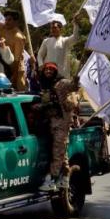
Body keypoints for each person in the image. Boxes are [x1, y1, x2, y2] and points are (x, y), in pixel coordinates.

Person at [36, 63, 80, 192]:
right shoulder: (44, 85)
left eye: (51, 69)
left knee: (57, 152)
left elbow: (73, 86)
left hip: (61, 124)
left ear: (55, 71)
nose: (48, 71)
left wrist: (76, 79)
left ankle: (51, 180)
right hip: (50, 123)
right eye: (46, 69)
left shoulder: (61, 83)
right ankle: (65, 177)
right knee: (61, 152)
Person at [37, 13, 80, 79]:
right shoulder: (46, 41)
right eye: (51, 28)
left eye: (55, 27)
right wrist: (41, 65)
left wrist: (75, 24)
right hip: (49, 73)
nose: (52, 30)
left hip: (62, 73)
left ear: (60, 29)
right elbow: (40, 55)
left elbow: (75, 38)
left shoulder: (65, 41)